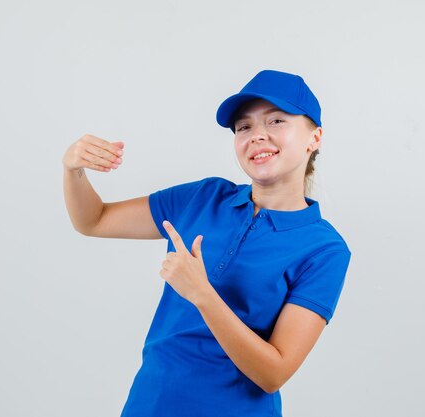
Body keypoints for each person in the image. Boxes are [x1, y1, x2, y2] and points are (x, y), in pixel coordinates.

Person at [62, 69, 352, 417]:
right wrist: (72, 169)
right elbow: (93, 220)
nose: (257, 136)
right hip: (149, 405)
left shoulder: (324, 249)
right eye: (244, 127)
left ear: (314, 137)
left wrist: (201, 293)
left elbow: (273, 373)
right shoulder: (203, 197)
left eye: (276, 121)